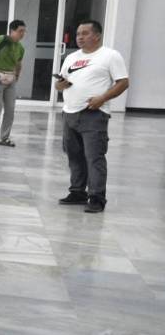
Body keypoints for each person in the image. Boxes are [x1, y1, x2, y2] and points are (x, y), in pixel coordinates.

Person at [56, 20, 129, 214]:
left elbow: (123, 82)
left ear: (97, 35)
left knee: (94, 157)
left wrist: (102, 98)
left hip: (94, 114)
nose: (80, 37)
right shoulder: (71, 57)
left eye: (85, 33)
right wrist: (60, 86)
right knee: (74, 156)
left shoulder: (110, 56)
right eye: (78, 33)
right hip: (69, 112)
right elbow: (60, 83)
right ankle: (78, 191)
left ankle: (96, 197)